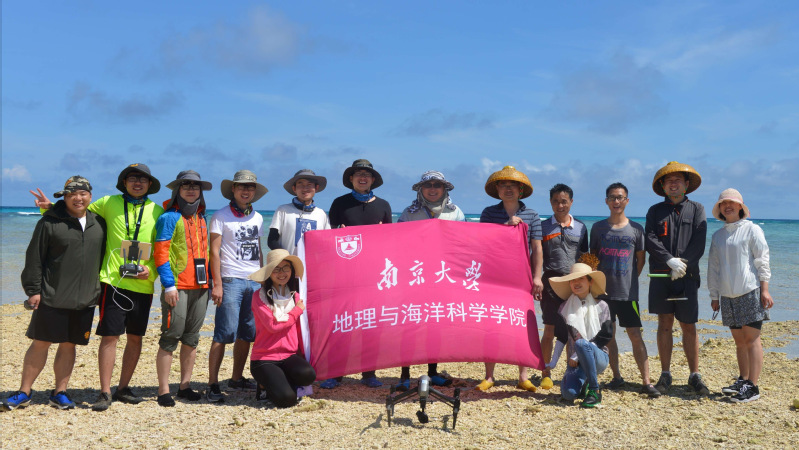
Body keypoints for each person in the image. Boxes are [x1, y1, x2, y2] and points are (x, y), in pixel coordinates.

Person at [31, 163, 164, 411]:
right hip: (113, 282)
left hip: (143, 284)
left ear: (149, 184)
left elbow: (162, 249)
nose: (137, 183)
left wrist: (153, 272)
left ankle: (123, 388)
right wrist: (47, 208)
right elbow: (75, 210)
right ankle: (105, 392)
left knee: (135, 338)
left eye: (143, 179)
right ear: (123, 183)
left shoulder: (158, 211)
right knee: (110, 337)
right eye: (132, 178)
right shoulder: (107, 203)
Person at [3, 177, 106, 411]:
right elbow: (34, 258)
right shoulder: (49, 222)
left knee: (69, 345)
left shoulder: (99, 223)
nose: (77, 198)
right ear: (65, 197)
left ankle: (60, 392)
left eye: (82, 193)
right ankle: (24, 392)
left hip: (85, 297)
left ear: (90, 196)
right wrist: (33, 290)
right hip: (52, 294)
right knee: (41, 343)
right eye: (71, 194)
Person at [320, 159, 392, 389]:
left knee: (371, 325)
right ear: (351, 179)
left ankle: (369, 373)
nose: (363, 177)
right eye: (358, 174)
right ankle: (336, 373)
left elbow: (391, 242)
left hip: (374, 274)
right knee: (342, 323)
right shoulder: (339, 203)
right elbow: (328, 238)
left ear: (373, 180)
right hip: (344, 273)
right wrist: (337, 234)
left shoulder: (384, 205)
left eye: (367, 174)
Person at [395, 170, 465, 391]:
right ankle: (404, 374)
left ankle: (433, 372)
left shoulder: (455, 212)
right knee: (409, 323)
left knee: (435, 324)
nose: (432, 189)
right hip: (414, 276)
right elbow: (397, 242)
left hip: (442, 276)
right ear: (421, 189)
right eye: (428, 185)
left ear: (444, 189)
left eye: (437, 185)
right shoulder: (409, 213)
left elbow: (464, 243)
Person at [644, 161, 709, 395]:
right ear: (662, 186)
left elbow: (699, 241)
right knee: (664, 323)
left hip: (687, 276)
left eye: (678, 180)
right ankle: (665, 373)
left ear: (686, 184)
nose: (673, 184)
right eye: (669, 181)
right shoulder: (655, 211)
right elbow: (650, 238)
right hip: (661, 274)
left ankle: (694, 375)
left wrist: (682, 264)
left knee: (689, 325)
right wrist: (669, 260)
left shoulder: (697, 209)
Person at [475, 165, 542, 393]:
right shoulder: (488, 213)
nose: (508, 189)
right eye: (503, 185)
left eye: (512, 185)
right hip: (493, 275)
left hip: (522, 277)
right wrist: (506, 226)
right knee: (491, 324)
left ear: (521, 189)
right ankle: (489, 376)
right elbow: (482, 241)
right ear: (497, 190)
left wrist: (537, 277)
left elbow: (537, 248)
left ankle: (523, 376)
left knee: (522, 324)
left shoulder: (532, 215)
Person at [590, 182, 660, 397]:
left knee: (635, 335)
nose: (616, 201)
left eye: (620, 197)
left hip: (628, 294)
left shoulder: (636, 229)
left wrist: (629, 281)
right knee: (609, 336)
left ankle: (646, 381)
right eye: (612, 197)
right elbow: (592, 260)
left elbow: (640, 260)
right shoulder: (598, 228)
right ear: (606, 201)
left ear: (627, 201)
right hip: (603, 293)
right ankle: (617, 377)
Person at [206, 170, 268, 402]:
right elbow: (214, 252)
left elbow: (259, 249)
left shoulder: (258, 217)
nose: (245, 191)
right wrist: (217, 284)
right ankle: (212, 384)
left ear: (254, 192)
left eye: (250, 187)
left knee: (247, 333)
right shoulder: (220, 216)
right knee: (224, 333)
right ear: (233, 189)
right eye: (241, 186)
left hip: (253, 281)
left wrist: (263, 279)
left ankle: (236, 378)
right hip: (230, 279)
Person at [153, 171, 212, 407]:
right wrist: (168, 285)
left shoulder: (202, 218)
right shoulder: (169, 217)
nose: (191, 189)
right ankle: (163, 390)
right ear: (177, 190)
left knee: (192, 338)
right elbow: (160, 254)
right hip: (177, 286)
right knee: (170, 337)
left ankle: (185, 386)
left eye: (195, 186)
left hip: (201, 287)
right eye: (185, 185)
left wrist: (212, 283)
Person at [707, 188, 772, 402]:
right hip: (727, 294)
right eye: (723, 203)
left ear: (740, 207)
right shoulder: (718, 236)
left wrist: (765, 289)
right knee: (739, 341)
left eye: (732, 203)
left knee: (752, 339)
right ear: (720, 209)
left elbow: (762, 260)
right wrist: (714, 296)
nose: (728, 206)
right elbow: (713, 268)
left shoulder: (752, 229)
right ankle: (743, 380)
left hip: (750, 290)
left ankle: (753, 386)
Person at [247, 249, 316, 407]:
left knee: (308, 374)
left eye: (286, 268)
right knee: (287, 400)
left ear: (291, 271)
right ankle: (263, 385)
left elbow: (299, 330)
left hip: (288, 355)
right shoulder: (258, 297)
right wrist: (297, 311)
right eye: (276, 269)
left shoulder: (296, 297)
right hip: (264, 358)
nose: (282, 273)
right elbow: (273, 326)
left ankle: (280, 380)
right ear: (269, 272)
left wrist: (303, 355)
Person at [538, 183, 588, 390]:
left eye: (564, 201)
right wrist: (535, 280)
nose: (560, 205)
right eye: (556, 201)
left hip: (574, 284)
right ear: (550, 203)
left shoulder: (581, 227)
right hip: (550, 282)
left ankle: (571, 372)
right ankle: (545, 372)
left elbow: (585, 258)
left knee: (572, 330)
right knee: (549, 328)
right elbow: (536, 256)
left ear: (571, 202)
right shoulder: (542, 227)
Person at [551, 263, 613, 408]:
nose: (576, 283)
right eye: (573, 280)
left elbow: (605, 336)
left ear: (590, 281)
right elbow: (561, 336)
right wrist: (553, 362)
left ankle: (594, 391)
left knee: (580, 344)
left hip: (598, 358)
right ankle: (583, 383)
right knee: (569, 394)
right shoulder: (564, 307)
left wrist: (577, 354)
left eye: (581, 279)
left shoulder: (602, 306)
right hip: (575, 363)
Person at [268, 169, 331, 255]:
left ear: (316, 188)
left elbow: (327, 243)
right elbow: (272, 241)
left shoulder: (322, 214)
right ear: (294, 188)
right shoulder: (283, 210)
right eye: (300, 184)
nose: (305, 188)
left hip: (312, 262)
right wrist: (287, 259)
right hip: (288, 262)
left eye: (309, 184)